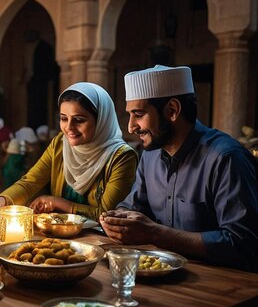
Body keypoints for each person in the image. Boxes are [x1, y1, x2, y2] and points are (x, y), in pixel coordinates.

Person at [100, 65, 258, 272]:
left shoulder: (226, 158)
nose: (130, 127)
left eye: (138, 114)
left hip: (222, 286)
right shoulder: (150, 155)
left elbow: (242, 244)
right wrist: (118, 219)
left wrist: (155, 234)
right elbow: (135, 206)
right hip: (163, 281)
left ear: (172, 110)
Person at [0, 82, 138, 223]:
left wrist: (57, 202)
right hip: (61, 234)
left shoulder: (121, 157)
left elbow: (106, 214)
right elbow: (30, 182)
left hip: (104, 241)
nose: (69, 127)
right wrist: (0, 201)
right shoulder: (60, 144)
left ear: (101, 120)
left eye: (79, 120)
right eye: (63, 118)